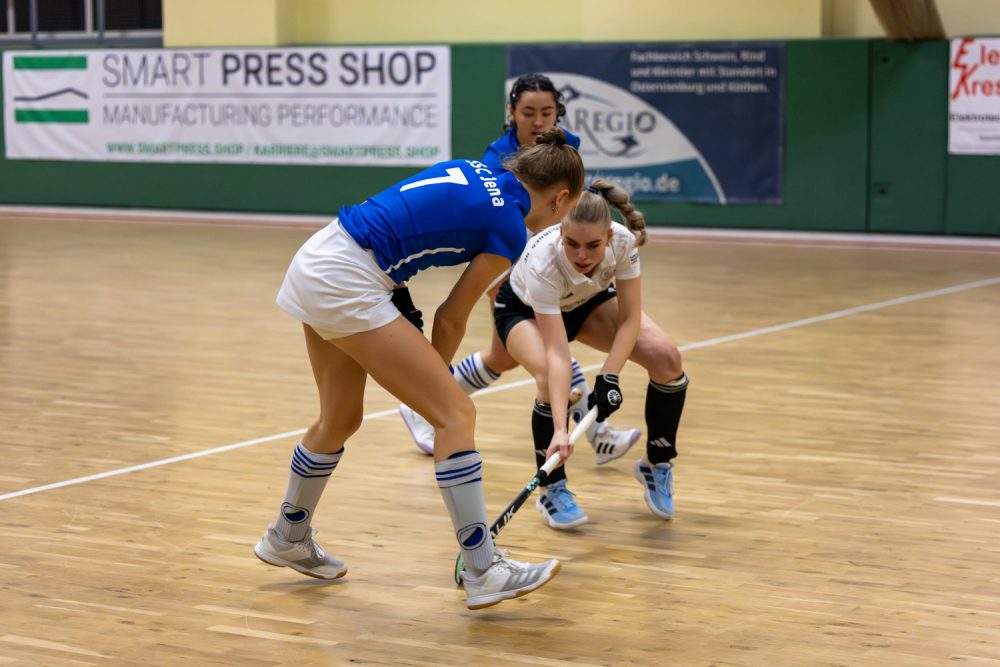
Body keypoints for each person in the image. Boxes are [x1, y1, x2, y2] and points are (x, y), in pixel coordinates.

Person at [253, 128, 585, 610]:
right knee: (456, 415)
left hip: (320, 255)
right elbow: (451, 316)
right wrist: (436, 383)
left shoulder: (475, 168)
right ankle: (484, 570)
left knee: (340, 418)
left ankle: (287, 534)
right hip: (348, 280)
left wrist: (428, 379)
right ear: (559, 198)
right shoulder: (510, 228)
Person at [400, 73, 641, 463]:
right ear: (511, 113)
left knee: (502, 358)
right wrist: (503, 284)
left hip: (550, 266)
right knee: (552, 357)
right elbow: (495, 234)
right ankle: (599, 434)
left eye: (547, 112)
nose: (538, 121)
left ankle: (417, 407)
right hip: (508, 269)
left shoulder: (566, 149)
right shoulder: (498, 159)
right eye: (529, 112)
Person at [493, 179, 689, 529]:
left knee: (666, 358)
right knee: (549, 378)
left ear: (609, 237)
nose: (581, 255)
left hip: (587, 303)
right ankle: (552, 490)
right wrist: (560, 429)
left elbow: (629, 318)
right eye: (572, 244)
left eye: (593, 245)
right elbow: (558, 353)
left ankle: (656, 463)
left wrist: (609, 375)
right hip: (523, 311)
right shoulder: (543, 263)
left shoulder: (623, 242)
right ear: (561, 232)